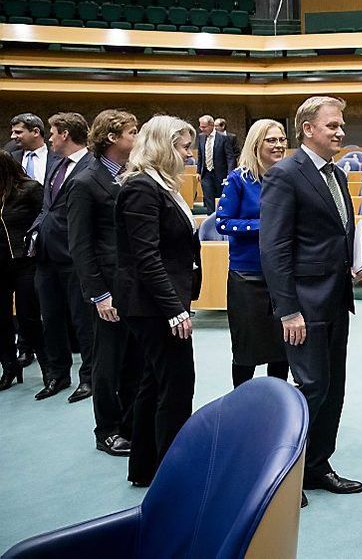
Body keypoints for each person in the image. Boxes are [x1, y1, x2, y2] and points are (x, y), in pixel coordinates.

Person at [260, 96, 362, 508]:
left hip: (336, 299)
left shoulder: (334, 174)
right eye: (332, 125)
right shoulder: (285, 174)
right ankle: (284, 475)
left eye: (341, 125)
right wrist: (287, 309)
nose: (340, 131)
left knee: (333, 387)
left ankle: (319, 465)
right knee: (311, 387)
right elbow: (275, 248)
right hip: (303, 304)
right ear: (307, 129)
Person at [115, 115, 202, 487]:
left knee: (154, 383)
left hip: (158, 303)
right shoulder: (141, 188)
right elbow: (146, 257)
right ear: (164, 147)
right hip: (153, 307)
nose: (188, 154)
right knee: (178, 386)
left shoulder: (160, 185)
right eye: (183, 147)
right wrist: (174, 309)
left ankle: (146, 467)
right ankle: (175, 473)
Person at [67, 109, 142, 457]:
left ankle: (130, 423)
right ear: (111, 138)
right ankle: (107, 430)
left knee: (134, 360)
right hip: (108, 290)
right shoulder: (85, 182)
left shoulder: (133, 175)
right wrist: (100, 294)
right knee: (108, 363)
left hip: (134, 286)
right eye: (132, 132)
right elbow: (81, 246)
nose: (137, 137)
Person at [215, 119, 289, 388]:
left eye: (281, 139)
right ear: (256, 144)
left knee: (283, 348)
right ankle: (242, 403)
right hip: (248, 277)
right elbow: (222, 223)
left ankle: (277, 406)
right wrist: (264, 226)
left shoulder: (289, 177)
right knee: (246, 350)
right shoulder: (239, 179)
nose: (279, 145)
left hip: (281, 276)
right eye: (271, 140)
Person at [30, 112, 95, 402]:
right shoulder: (55, 164)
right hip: (45, 254)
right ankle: (57, 374)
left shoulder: (92, 166)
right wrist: (36, 231)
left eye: (53, 133)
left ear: (65, 134)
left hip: (74, 255)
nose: (51, 138)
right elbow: (48, 206)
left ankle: (90, 377)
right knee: (51, 318)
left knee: (83, 321)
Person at [0, 151, 43, 390]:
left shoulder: (29, 189)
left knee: (28, 317)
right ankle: (9, 366)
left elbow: (44, 219)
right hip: (0, 265)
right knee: (1, 321)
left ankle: (50, 369)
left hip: (25, 262)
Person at [195, 114, 237, 213]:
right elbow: (200, 155)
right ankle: (210, 223)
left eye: (204, 127)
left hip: (220, 174)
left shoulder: (223, 138)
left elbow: (230, 157)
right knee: (209, 199)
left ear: (211, 125)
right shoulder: (201, 137)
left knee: (221, 198)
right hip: (206, 174)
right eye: (200, 126)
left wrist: (230, 173)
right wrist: (198, 172)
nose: (201, 129)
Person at [10, 113, 58, 186]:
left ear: (36, 132)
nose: (12, 136)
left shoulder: (59, 157)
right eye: (13, 132)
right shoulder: (11, 158)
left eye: (18, 132)